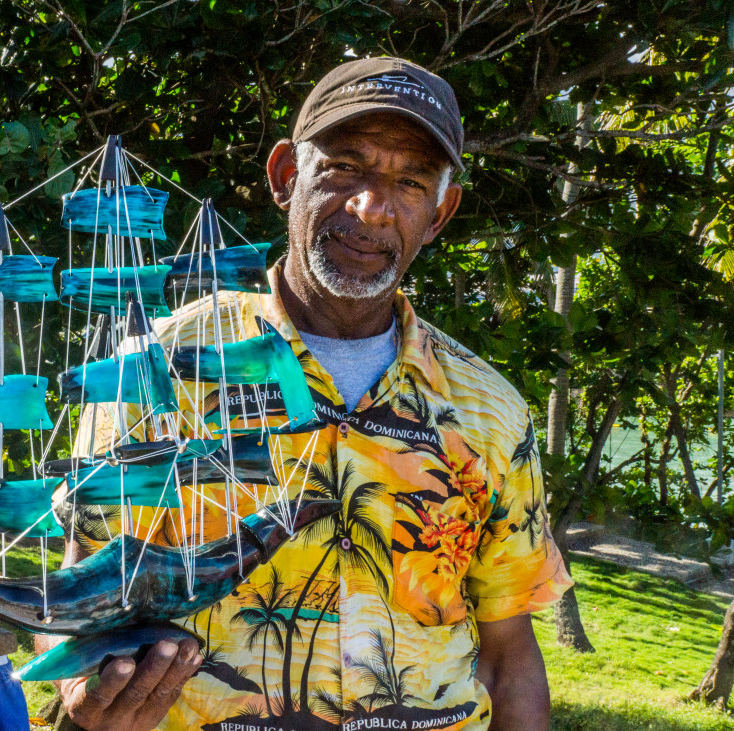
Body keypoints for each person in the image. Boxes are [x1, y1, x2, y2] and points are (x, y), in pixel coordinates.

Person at [49, 58, 572, 731]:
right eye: (345, 168)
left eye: (410, 182)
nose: (371, 207)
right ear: (285, 176)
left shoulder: (490, 410)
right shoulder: (158, 368)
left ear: (440, 213)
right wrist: (84, 693)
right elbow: (83, 585)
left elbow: (508, 652)